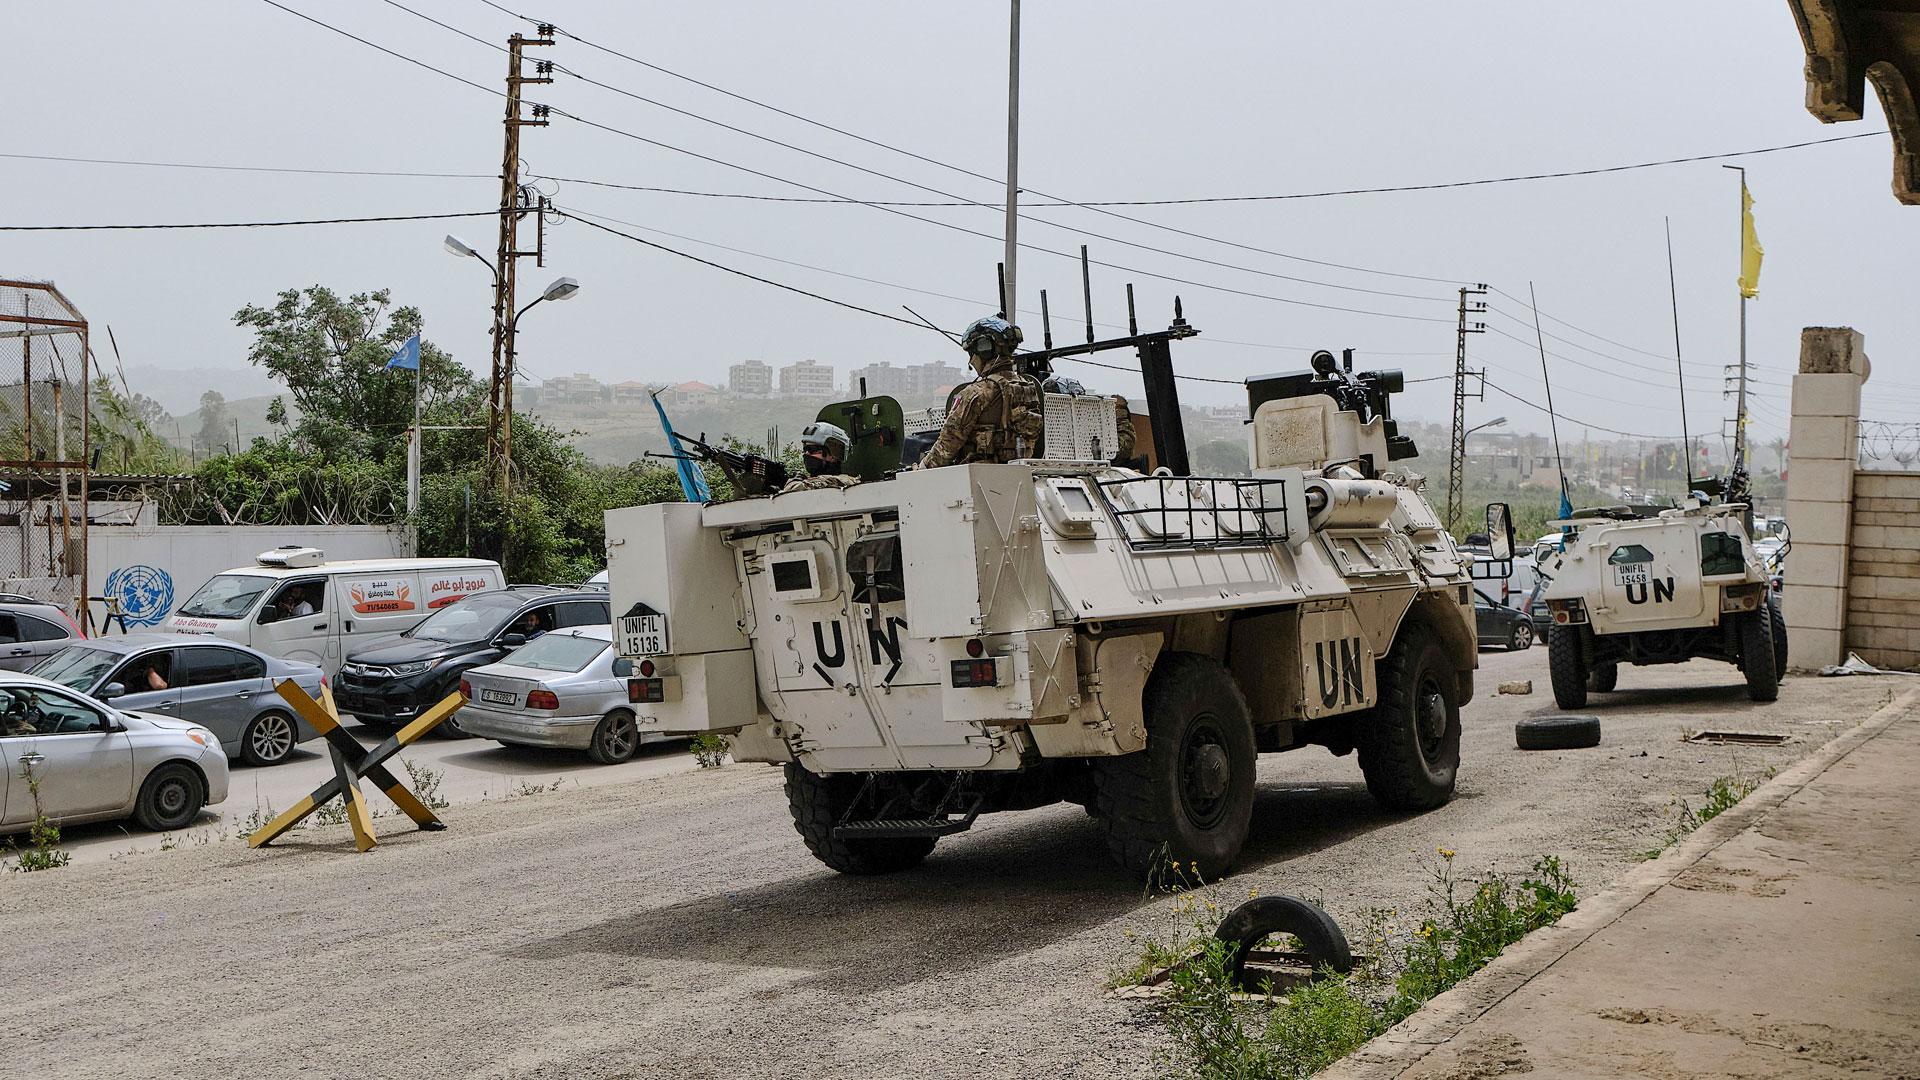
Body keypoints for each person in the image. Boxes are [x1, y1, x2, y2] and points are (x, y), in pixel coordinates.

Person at [915, 315, 1044, 469]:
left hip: (978, 478)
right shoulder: (1028, 389)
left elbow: (947, 446)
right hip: (1018, 474)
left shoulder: (976, 393)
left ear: (984, 349)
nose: (971, 361)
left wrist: (920, 468)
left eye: (972, 354)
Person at [779, 422, 862, 494]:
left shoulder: (844, 481)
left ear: (833, 455)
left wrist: (792, 480)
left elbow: (794, 489)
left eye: (812, 449)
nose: (807, 453)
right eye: (805, 449)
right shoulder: (811, 481)